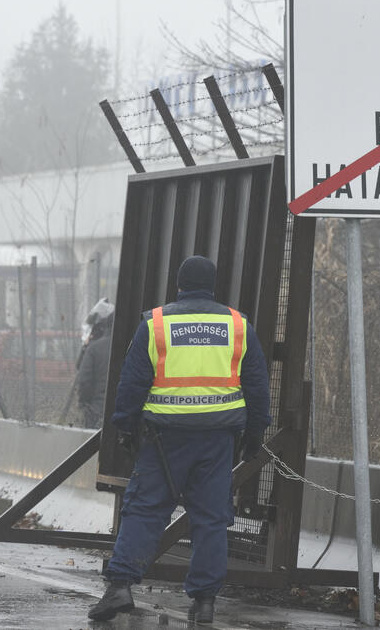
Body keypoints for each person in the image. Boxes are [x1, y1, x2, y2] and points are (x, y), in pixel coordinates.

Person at [88, 255, 270, 625]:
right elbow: (257, 385)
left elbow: (132, 382)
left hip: (163, 440)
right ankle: (204, 603)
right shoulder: (237, 326)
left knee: (145, 510)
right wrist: (255, 433)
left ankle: (120, 586)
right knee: (211, 519)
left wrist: (125, 428)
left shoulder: (156, 324)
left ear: (179, 285)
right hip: (218, 442)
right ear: (214, 286)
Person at [76, 298, 114, 428]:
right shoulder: (131, 347)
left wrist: (83, 404)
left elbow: (84, 379)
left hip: (96, 411)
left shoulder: (94, 349)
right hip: (121, 413)